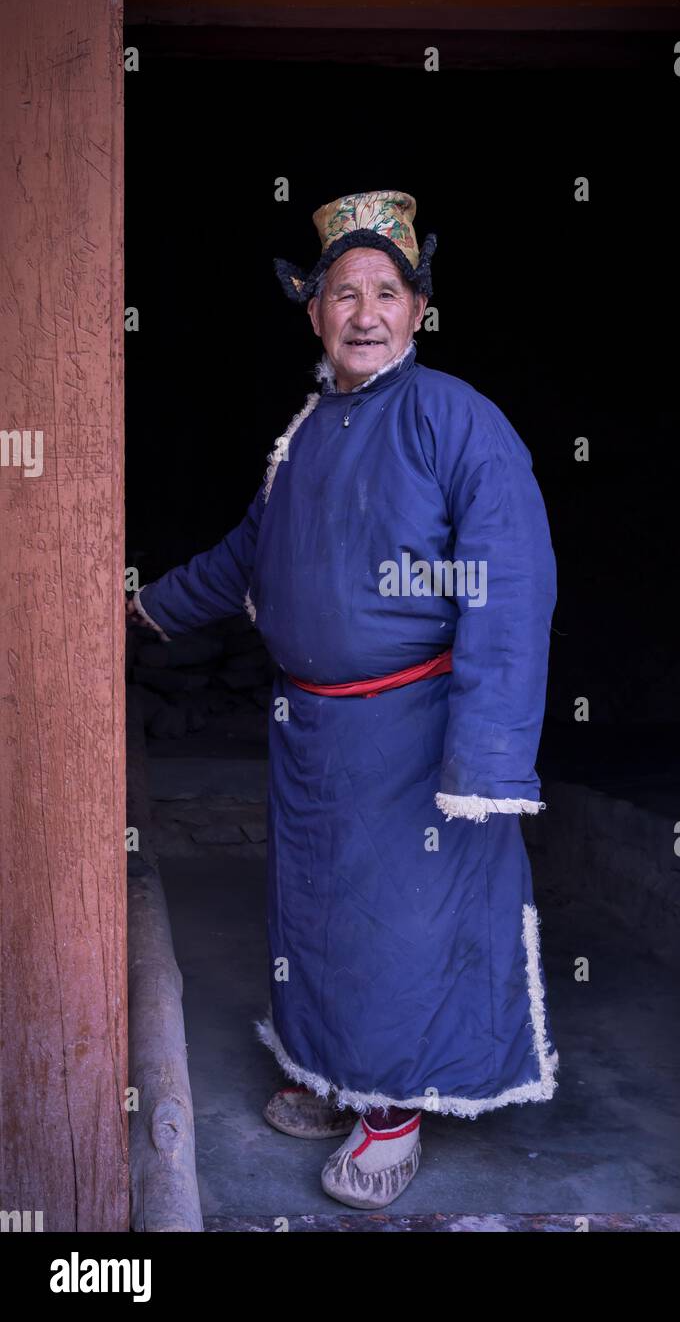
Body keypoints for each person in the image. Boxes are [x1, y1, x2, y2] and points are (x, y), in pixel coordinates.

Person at [127, 189, 559, 1210]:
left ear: (417, 309)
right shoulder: (307, 433)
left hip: (413, 734)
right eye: (341, 294)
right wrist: (144, 611)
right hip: (313, 733)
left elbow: (510, 582)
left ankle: (392, 1111)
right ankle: (332, 1075)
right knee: (314, 923)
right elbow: (249, 556)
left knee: (393, 930)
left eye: (386, 292)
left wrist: (487, 755)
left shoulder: (458, 419)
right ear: (311, 311)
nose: (364, 312)